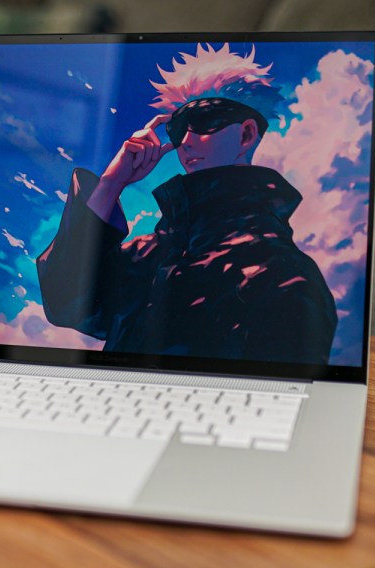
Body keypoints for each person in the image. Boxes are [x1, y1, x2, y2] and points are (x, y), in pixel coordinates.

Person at [35, 44, 338, 363]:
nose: (187, 140)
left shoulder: (281, 272)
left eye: (205, 119)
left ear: (247, 134)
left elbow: (274, 391)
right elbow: (67, 303)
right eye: (178, 127)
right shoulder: (149, 255)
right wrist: (112, 183)